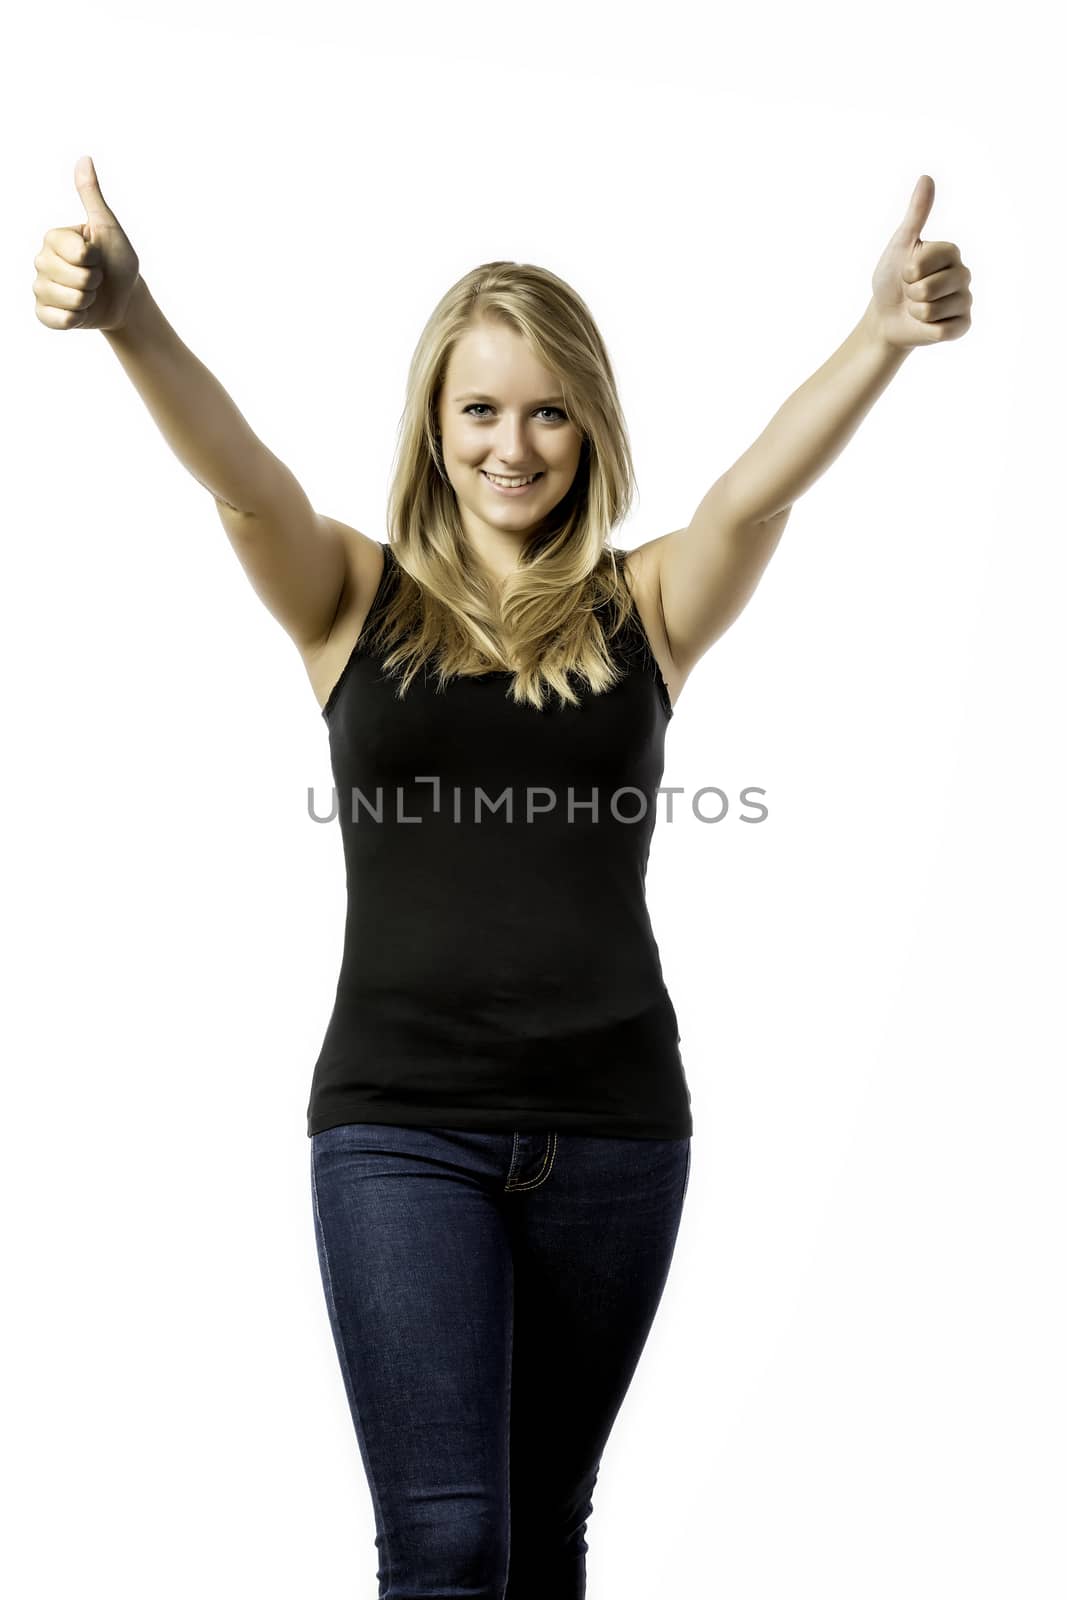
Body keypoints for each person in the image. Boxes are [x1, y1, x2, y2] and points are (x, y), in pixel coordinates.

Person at [35, 155, 970, 1600]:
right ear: (435, 424)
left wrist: (880, 338)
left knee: (542, 1536)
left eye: (547, 410)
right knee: (450, 1537)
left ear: (589, 427)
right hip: (402, 1125)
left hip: (615, 1129)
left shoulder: (647, 605)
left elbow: (757, 494)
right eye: (480, 408)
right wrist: (132, 314)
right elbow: (239, 484)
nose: (513, 445)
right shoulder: (348, 598)